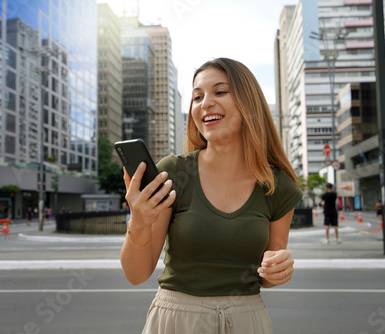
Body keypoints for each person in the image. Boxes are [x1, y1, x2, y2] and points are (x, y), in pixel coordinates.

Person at [120, 58, 303, 334]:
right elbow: (136, 274)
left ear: (248, 103)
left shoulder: (277, 185)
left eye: (220, 92)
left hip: (247, 321)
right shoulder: (173, 172)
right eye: (197, 97)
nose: (205, 103)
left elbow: (267, 273)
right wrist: (139, 220)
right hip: (176, 322)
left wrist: (279, 270)